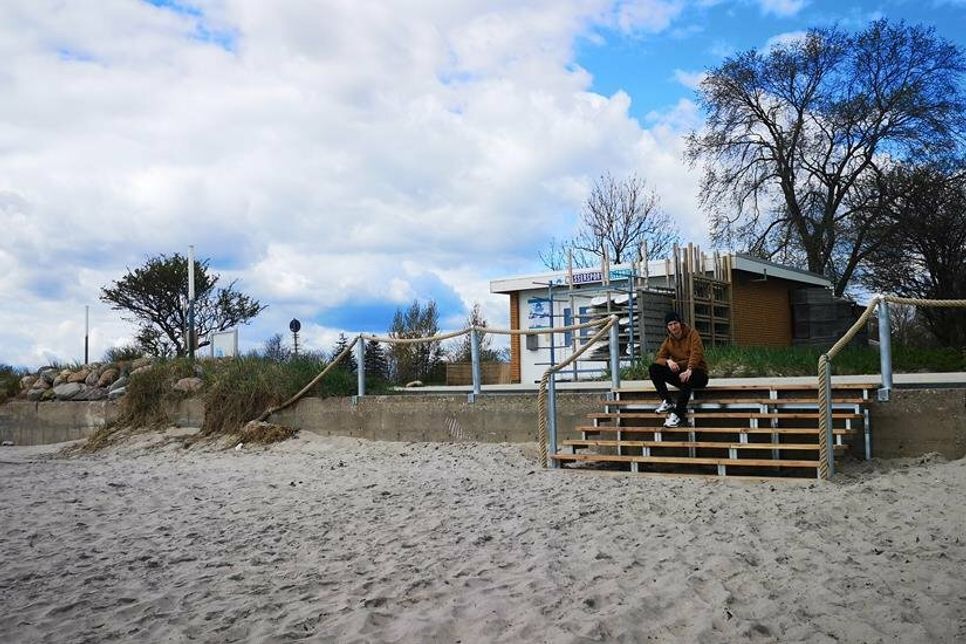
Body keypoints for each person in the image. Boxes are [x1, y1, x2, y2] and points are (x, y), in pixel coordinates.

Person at [648, 311, 709, 427]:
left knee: (687, 378)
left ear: (680, 323)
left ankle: (678, 415)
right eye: (670, 325)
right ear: (667, 328)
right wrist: (668, 361)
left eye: (675, 323)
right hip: (681, 374)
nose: (673, 327)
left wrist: (689, 369)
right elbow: (659, 357)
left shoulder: (692, 334)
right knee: (654, 368)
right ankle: (667, 401)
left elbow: (696, 353)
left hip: (698, 373)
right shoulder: (668, 341)